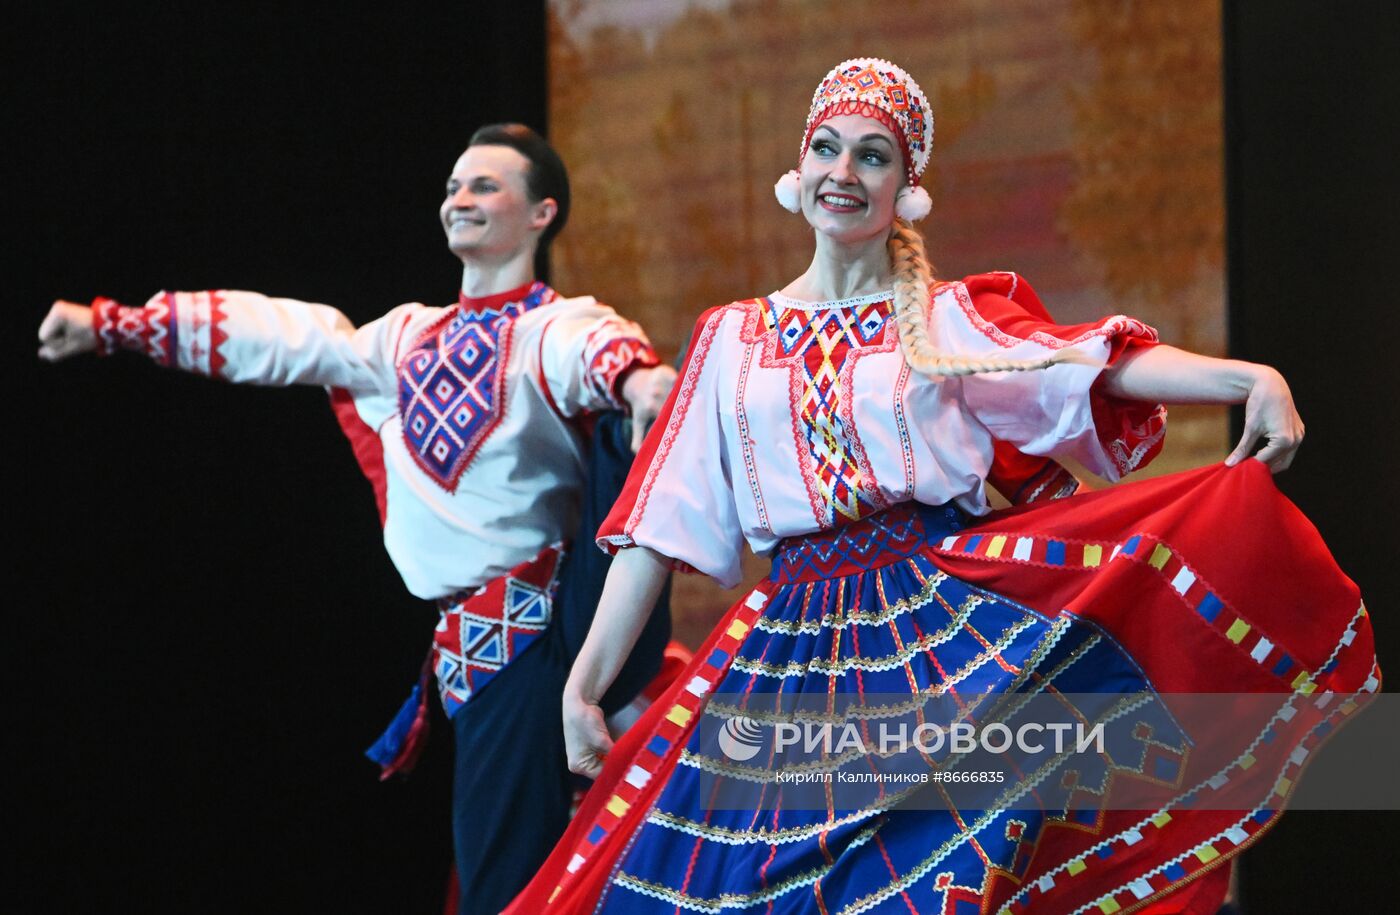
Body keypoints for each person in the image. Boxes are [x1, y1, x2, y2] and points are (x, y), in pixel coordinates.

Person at [504, 60, 1378, 915]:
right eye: (827, 148)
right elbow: (661, 526)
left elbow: (1088, 366)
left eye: (873, 155)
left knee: (926, 874)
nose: (843, 172)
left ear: (905, 189)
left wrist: (1244, 379)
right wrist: (583, 684)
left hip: (932, 630)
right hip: (787, 648)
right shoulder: (730, 337)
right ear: (798, 168)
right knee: (732, 885)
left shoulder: (945, 317)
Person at [36, 123, 678, 915]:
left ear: (543, 213)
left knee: (506, 879)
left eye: (484, 185)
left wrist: (641, 381)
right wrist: (114, 325)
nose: (460, 199)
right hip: (473, 648)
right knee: (511, 869)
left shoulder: (551, 326)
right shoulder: (402, 336)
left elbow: (596, 350)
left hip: (537, 633)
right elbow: (280, 335)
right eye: (452, 187)